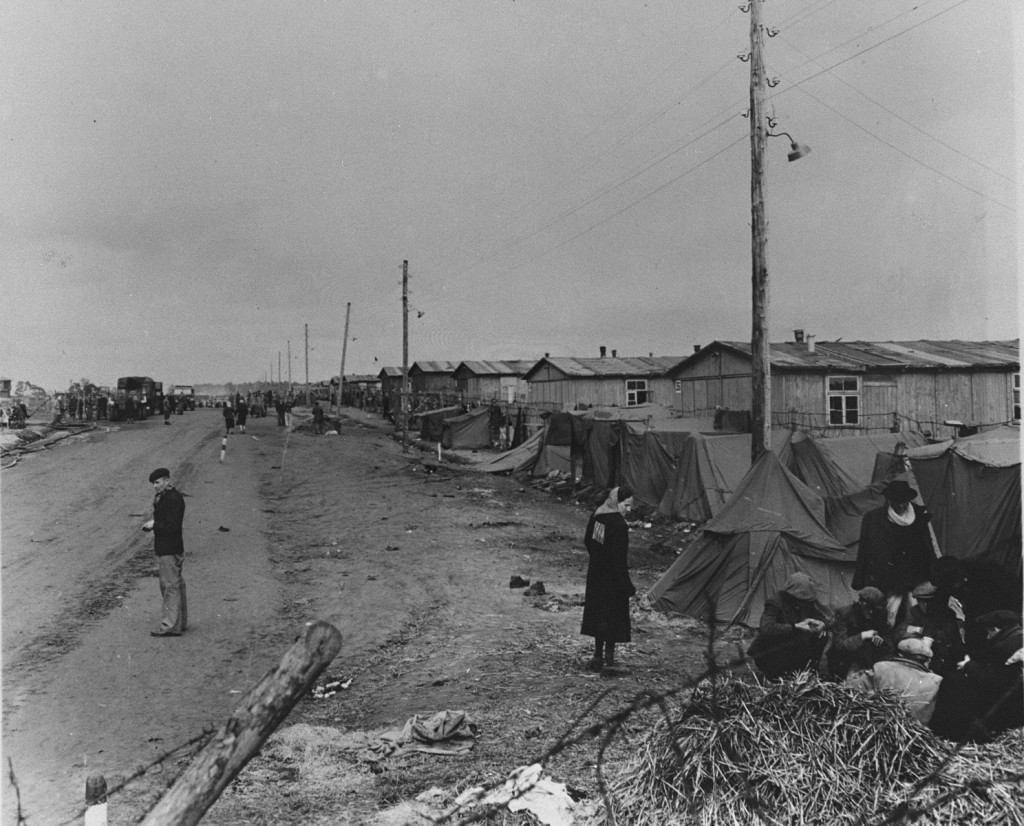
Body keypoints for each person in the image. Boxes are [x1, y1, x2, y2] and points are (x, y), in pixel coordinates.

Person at [852, 479, 934, 627]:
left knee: (915, 617)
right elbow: (864, 550)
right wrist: (861, 580)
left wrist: (932, 574)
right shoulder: (874, 518)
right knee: (887, 617)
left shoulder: (919, 517)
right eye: (898, 501)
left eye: (905, 501)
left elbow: (927, 547)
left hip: (914, 577)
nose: (902, 505)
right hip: (888, 578)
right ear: (890, 500)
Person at [581, 485, 636, 674]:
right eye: (626, 505)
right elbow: (619, 559)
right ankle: (609, 659)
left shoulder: (598, 515)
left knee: (598, 616)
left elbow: (588, 541)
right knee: (613, 617)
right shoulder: (619, 525)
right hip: (613, 580)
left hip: (596, 575)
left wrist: (598, 558)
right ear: (617, 502)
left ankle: (597, 656)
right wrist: (627, 585)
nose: (628, 511)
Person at [747, 572, 830, 681]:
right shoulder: (775, 602)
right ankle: (776, 674)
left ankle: (807, 670)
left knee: (823, 635)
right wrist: (796, 626)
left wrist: (822, 623)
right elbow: (767, 628)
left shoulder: (806, 602)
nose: (806, 603)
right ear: (793, 596)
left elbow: (822, 616)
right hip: (772, 647)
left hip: (792, 644)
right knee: (780, 674)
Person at [847, 637, 943, 725]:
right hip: (915, 737)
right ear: (927, 661)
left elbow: (850, 688)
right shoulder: (936, 681)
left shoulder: (881, 667)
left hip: (875, 727)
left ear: (900, 654)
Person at [142, 468, 188, 637]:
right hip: (171, 547)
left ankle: (170, 626)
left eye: (158, 482)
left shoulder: (172, 499)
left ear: (167, 481)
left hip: (169, 549)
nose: (155, 486)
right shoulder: (168, 497)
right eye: (154, 483)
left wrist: (154, 525)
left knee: (170, 587)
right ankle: (179, 623)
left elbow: (172, 526)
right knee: (176, 585)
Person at [895, 581, 965, 676]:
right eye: (921, 601)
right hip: (918, 654)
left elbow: (946, 637)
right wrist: (921, 631)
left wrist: (926, 635)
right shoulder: (915, 612)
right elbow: (901, 631)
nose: (925, 605)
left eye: (928, 601)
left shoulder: (946, 614)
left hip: (941, 656)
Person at [828, 586, 894, 680]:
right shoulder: (844, 614)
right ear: (861, 603)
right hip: (845, 659)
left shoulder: (880, 614)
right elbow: (840, 646)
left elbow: (888, 640)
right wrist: (863, 636)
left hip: (868, 658)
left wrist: (881, 641)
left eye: (874, 609)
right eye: (868, 607)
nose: (871, 612)